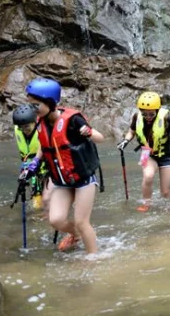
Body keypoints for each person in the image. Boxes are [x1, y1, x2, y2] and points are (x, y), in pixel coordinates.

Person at [25, 78, 104, 254]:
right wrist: (36, 162)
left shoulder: (73, 119)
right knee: (56, 220)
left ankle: (92, 258)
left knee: (82, 222)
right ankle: (76, 235)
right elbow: (44, 144)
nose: (33, 109)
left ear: (50, 103)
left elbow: (100, 138)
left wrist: (89, 132)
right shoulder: (41, 121)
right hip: (62, 180)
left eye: (36, 105)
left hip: (83, 179)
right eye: (30, 105)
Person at [117, 91, 170, 212]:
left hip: (167, 155)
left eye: (151, 114)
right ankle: (146, 203)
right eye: (145, 114)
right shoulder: (136, 117)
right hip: (146, 153)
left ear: (157, 110)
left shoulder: (165, 116)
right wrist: (125, 141)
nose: (148, 117)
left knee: (165, 192)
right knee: (148, 176)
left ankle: (167, 207)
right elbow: (131, 132)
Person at [12, 104, 50, 211]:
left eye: (27, 126)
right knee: (36, 201)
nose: (24, 130)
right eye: (21, 127)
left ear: (35, 121)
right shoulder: (18, 129)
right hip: (30, 167)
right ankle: (39, 217)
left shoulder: (43, 128)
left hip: (47, 167)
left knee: (48, 198)